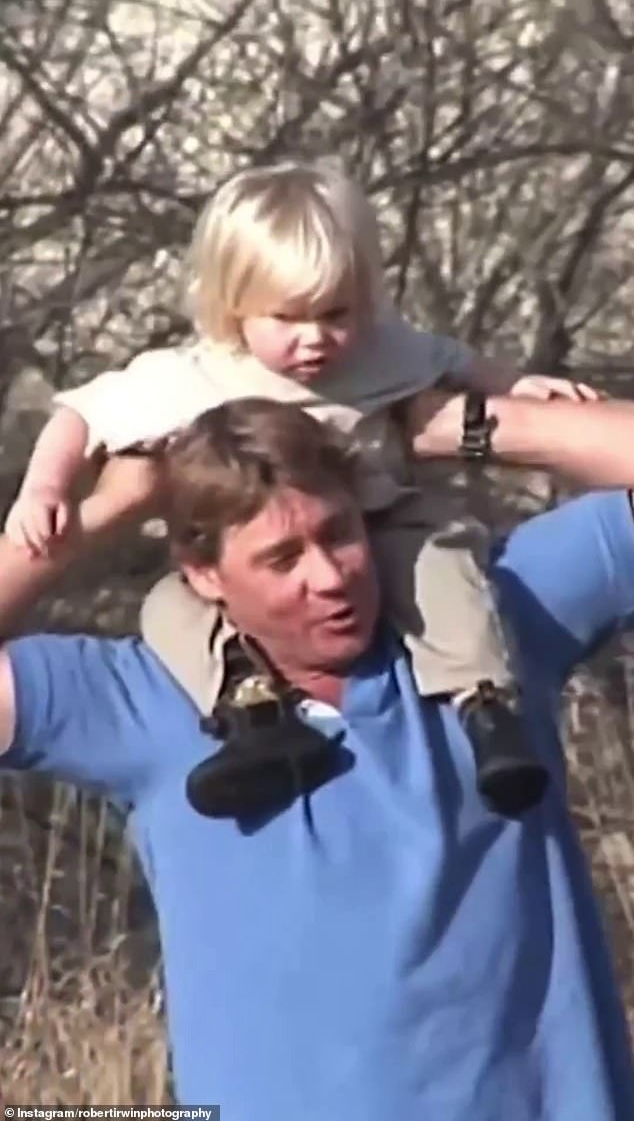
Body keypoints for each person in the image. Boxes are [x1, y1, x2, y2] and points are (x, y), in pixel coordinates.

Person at [0, 397, 633, 1119]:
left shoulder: (487, 627)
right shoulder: (145, 700)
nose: (330, 577)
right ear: (203, 573)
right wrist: (95, 513)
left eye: (340, 533)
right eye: (282, 558)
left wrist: (470, 422)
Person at [1, 160, 599, 815]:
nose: (315, 339)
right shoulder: (193, 376)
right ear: (233, 305)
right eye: (287, 317)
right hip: (235, 564)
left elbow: (455, 359)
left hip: (385, 515)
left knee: (445, 570)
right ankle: (252, 714)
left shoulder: (380, 352)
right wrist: (44, 489)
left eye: (336, 313)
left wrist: (515, 387)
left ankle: (484, 705)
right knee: (170, 613)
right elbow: (82, 415)